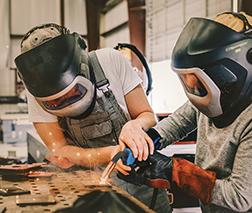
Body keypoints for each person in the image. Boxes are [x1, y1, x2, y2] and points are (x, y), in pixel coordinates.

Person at [119, 12, 252, 212]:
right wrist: (143, 145)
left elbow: (239, 197)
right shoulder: (215, 97)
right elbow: (177, 124)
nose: (194, 90)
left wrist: (172, 170)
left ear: (231, 70)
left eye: (198, 82)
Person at [14, 23, 171, 213]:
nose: (65, 102)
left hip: (142, 183)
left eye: (72, 92)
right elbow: (60, 149)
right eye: (55, 102)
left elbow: (147, 115)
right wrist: (108, 154)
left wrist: (134, 126)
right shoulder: (37, 92)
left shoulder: (109, 61)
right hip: (92, 189)